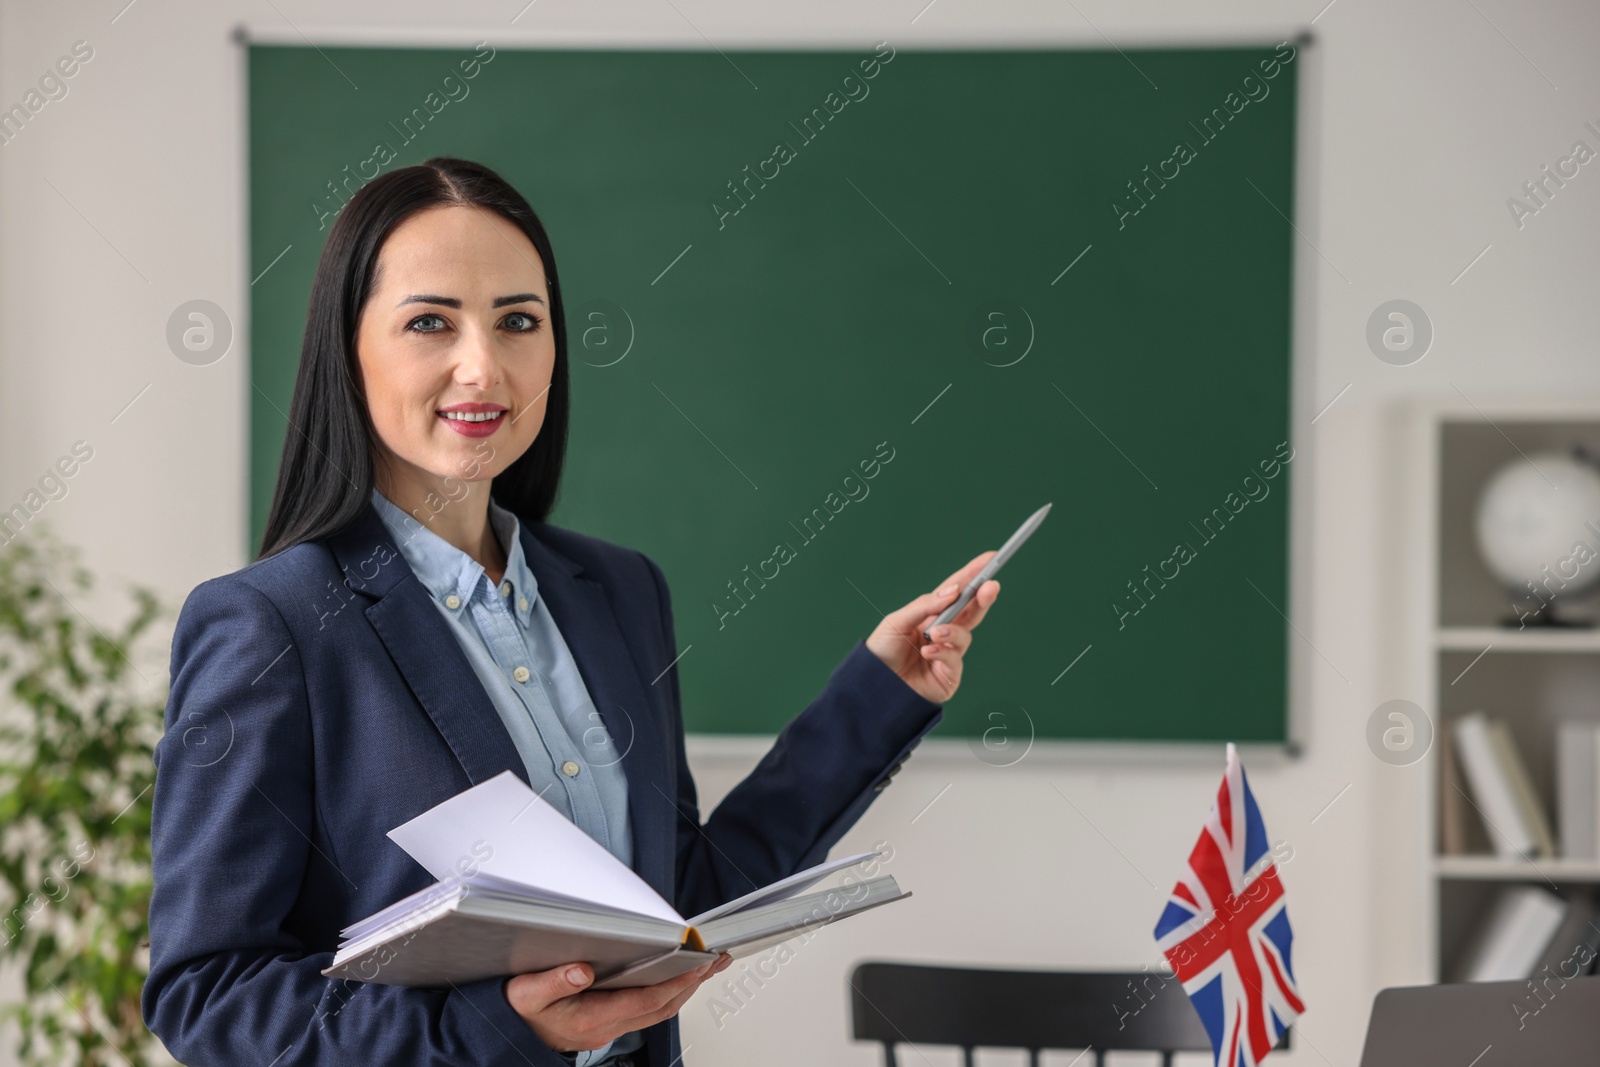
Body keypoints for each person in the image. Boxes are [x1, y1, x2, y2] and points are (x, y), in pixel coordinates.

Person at [141, 157, 1000, 1067]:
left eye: (519, 321)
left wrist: (879, 694)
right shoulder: (270, 625)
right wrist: (497, 1028)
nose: (484, 364)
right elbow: (209, 993)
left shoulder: (619, 591)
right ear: (347, 347)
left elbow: (678, 902)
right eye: (430, 322)